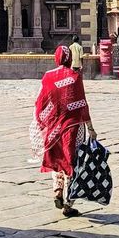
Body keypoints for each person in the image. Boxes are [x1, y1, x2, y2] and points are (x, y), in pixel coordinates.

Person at [34, 44, 95, 217]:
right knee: (72, 161)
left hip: (54, 127)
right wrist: (91, 128)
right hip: (73, 129)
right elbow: (82, 104)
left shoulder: (48, 76)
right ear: (69, 59)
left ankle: (57, 190)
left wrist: (42, 122)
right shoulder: (75, 77)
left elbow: (40, 103)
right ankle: (68, 204)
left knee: (57, 159)